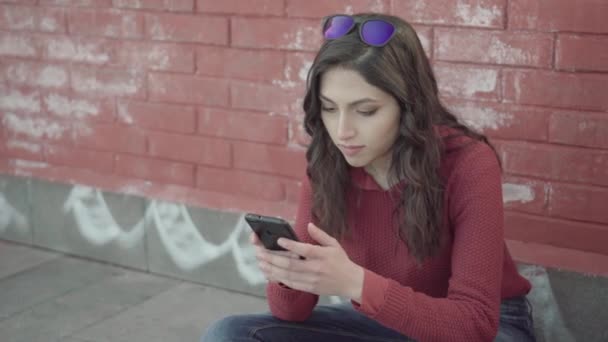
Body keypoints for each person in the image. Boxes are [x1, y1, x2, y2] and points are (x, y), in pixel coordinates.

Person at [201, 13, 535, 342]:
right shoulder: (326, 164)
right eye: (329, 108)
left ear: (408, 107)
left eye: (366, 111)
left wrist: (355, 283)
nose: (342, 131)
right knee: (228, 335)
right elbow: (291, 313)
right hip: (383, 317)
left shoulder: (468, 162)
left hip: (483, 326)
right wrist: (288, 274)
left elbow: (474, 326)